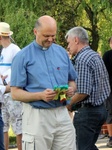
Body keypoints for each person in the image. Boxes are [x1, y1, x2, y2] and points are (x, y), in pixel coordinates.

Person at [10, 15, 77, 150]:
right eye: (46, 35)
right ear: (35, 31)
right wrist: (40, 95)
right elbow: (15, 93)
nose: (51, 39)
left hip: (62, 112)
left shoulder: (62, 53)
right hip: (36, 115)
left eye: (53, 35)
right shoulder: (22, 56)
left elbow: (72, 80)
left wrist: (71, 89)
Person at [65, 26, 110, 150]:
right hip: (100, 109)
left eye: (68, 42)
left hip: (88, 112)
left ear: (76, 40)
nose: (68, 47)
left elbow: (83, 92)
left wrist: (68, 104)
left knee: (82, 147)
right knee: (88, 147)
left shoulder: (82, 59)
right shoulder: (94, 55)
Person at [0, 22, 22, 150]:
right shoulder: (4, 51)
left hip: (11, 93)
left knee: (17, 124)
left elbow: (18, 69)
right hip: (3, 94)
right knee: (4, 125)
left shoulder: (15, 49)